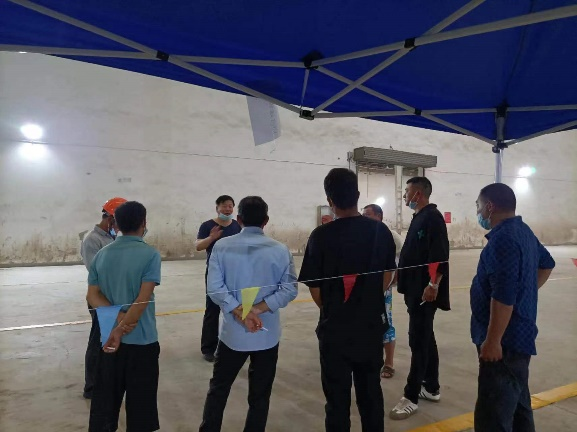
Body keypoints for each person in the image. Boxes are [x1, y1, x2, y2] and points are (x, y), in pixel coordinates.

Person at [299, 168, 396, 432]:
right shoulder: (380, 231)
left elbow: (315, 288)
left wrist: (335, 308)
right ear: (357, 195)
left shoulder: (320, 236)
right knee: (371, 394)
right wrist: (368, 298)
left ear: (329, 200)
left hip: (334, 331)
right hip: (370, 327)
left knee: (337, 401)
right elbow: (388, 277)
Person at [199, 196, 298, 432]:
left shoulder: (222, 246)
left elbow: (215, 288)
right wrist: (258, 309)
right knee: (260, 394)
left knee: (219, 388)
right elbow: (289, 289)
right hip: (267, 334)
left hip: (233, 334)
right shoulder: (280, 249)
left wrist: (241, 311)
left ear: (239, 219)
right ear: (266, 221)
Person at [471, 183, 555, 432]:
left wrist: (493, 340)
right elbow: (547, 264)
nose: (478, 212)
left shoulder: (503, 240)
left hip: (505, 344)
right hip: (519, 336)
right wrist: (524, 291)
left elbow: (503, 295)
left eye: (478, 206)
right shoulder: (523, 231)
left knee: (493, 416)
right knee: (518, 408)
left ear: (489, 206)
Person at [86, 201, 162, 432]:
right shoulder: (150, 254)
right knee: (141, 408)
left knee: (105, 405)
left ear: (116, 224)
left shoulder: (102, 255)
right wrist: (123, 327)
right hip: (142, 341)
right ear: (144, 223)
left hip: (108, 340)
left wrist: (117, 319)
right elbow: (143, 299)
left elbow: (92, 296)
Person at [390, 177, 450, 421]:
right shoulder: (419, 217)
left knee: (418, 340)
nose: (404, 195)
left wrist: (433, 284)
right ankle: (431, 387)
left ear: (418, 193)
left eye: (407, 191)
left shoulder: (433, 217)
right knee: (426, 337)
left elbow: (439, 255)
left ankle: (411, 396)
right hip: (414, 289)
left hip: (425, 292)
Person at [80, 196, 127, 399]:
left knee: (112, 338)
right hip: (100, 297)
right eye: (119, 222)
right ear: (110, 218)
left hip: (116, 295)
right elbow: (97, 272)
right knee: (98, 340)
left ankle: (110, 380)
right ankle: (91, 386)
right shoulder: (92, 240)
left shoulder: (115, 237)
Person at [196, 195, 242, 362]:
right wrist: (211, 238)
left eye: (230, 206)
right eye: (224, 206)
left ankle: (236, 344)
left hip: (235, 272)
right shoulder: (207, 225)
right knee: (212, 309)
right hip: (215, 273)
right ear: (217, 208)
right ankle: (209, 348)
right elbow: (198, 246)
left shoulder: (237, 226)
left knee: (236, 307)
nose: (227, 209)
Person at [362, 204, 402, 379]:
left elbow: (402, 260)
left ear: (379, 216)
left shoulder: (391, 236)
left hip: (382, 289)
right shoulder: (362, 234)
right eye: (363, 214)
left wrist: (390, 282)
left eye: (368, 214)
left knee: (385, 324)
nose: (364, 217)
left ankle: (389, 363)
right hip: (363, 289)